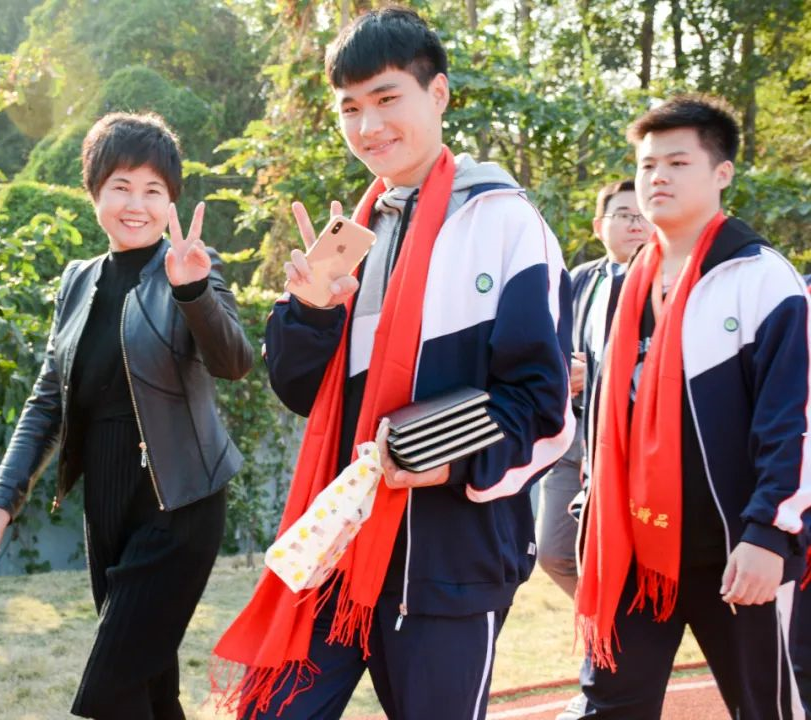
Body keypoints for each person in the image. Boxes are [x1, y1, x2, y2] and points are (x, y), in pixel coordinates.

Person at [212, 8, 574, 719]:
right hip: (335, 546)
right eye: (350, 107)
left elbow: (542, 405)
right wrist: (310, 311)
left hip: (447, 565)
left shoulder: (505, 223)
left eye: (386, 99)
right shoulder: (355, 232)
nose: (367, 125)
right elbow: (299, 391)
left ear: (437, 94)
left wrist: (446, 461)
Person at [0, 112, 253, 719]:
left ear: (171, 201)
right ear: (94, 191)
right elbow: (49, 399)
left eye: (154, 190)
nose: (137, 204)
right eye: (121, 186)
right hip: (106, 505)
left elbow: (234, 362)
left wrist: (192, 291)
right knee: (150, 690)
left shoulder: (193, 264)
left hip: (180, 503)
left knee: (110, 690)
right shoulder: (77, 280)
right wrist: (2, 498)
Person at [572, 95, 810, 719]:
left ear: (722, 172)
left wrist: (769, 532)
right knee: (609, 707)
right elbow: (608, 416)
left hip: (736, 548)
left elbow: (793, 420)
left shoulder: (761, 278)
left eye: (678, 163)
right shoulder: (618, 287)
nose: (658, 178)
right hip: (632, 549)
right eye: (648, 165)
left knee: (768, 707)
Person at [536, 179, 650, 599]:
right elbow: (548, 346)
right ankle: (608, 623)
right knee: (554, 552)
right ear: (599, 226)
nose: (635, 224)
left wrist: (601, 374)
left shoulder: (669, 279)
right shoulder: (580, 279)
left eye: (642, 215)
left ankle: (629, 628)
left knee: (637, 551)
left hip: (638, 439)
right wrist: (563, 371)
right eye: (623, 214)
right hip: (576, 434)